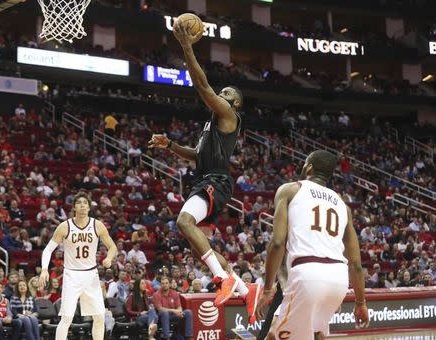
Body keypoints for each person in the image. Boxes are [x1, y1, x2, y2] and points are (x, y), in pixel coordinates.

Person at [148, 19, 260, 321]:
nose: (219, 95)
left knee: (184, 221)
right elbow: (196, 155)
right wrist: (170, 145)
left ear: (233, 101)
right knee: (200, 246)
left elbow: (201, 85)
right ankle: (245, 288)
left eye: (224, 92)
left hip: (216, 181)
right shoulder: (212, 125)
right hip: (208, 177)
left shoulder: (228, 114)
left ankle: (224, 280)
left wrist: (186, 46)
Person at [255, 150, 369, 339]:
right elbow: (356, 263)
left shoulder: (290, 189)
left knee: (275, 335)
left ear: (309, 167)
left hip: (308, 274)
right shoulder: (343, 205)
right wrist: (360, 302)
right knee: (317, 333)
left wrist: (267, 289)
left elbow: (277, 243)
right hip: (338, 279)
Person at [39, 192, 117, 340]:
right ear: (74, 207)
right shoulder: (64, 226)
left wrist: (109, 257)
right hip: (71, 275)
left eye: (85, 203)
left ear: (89, 207)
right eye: (79, 203)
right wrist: (44, 269)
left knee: (100, 317)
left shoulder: (97, 225)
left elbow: (113, 247)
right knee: (67, 318)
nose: (82, 205)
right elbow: (48, 249)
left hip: (91, 275)